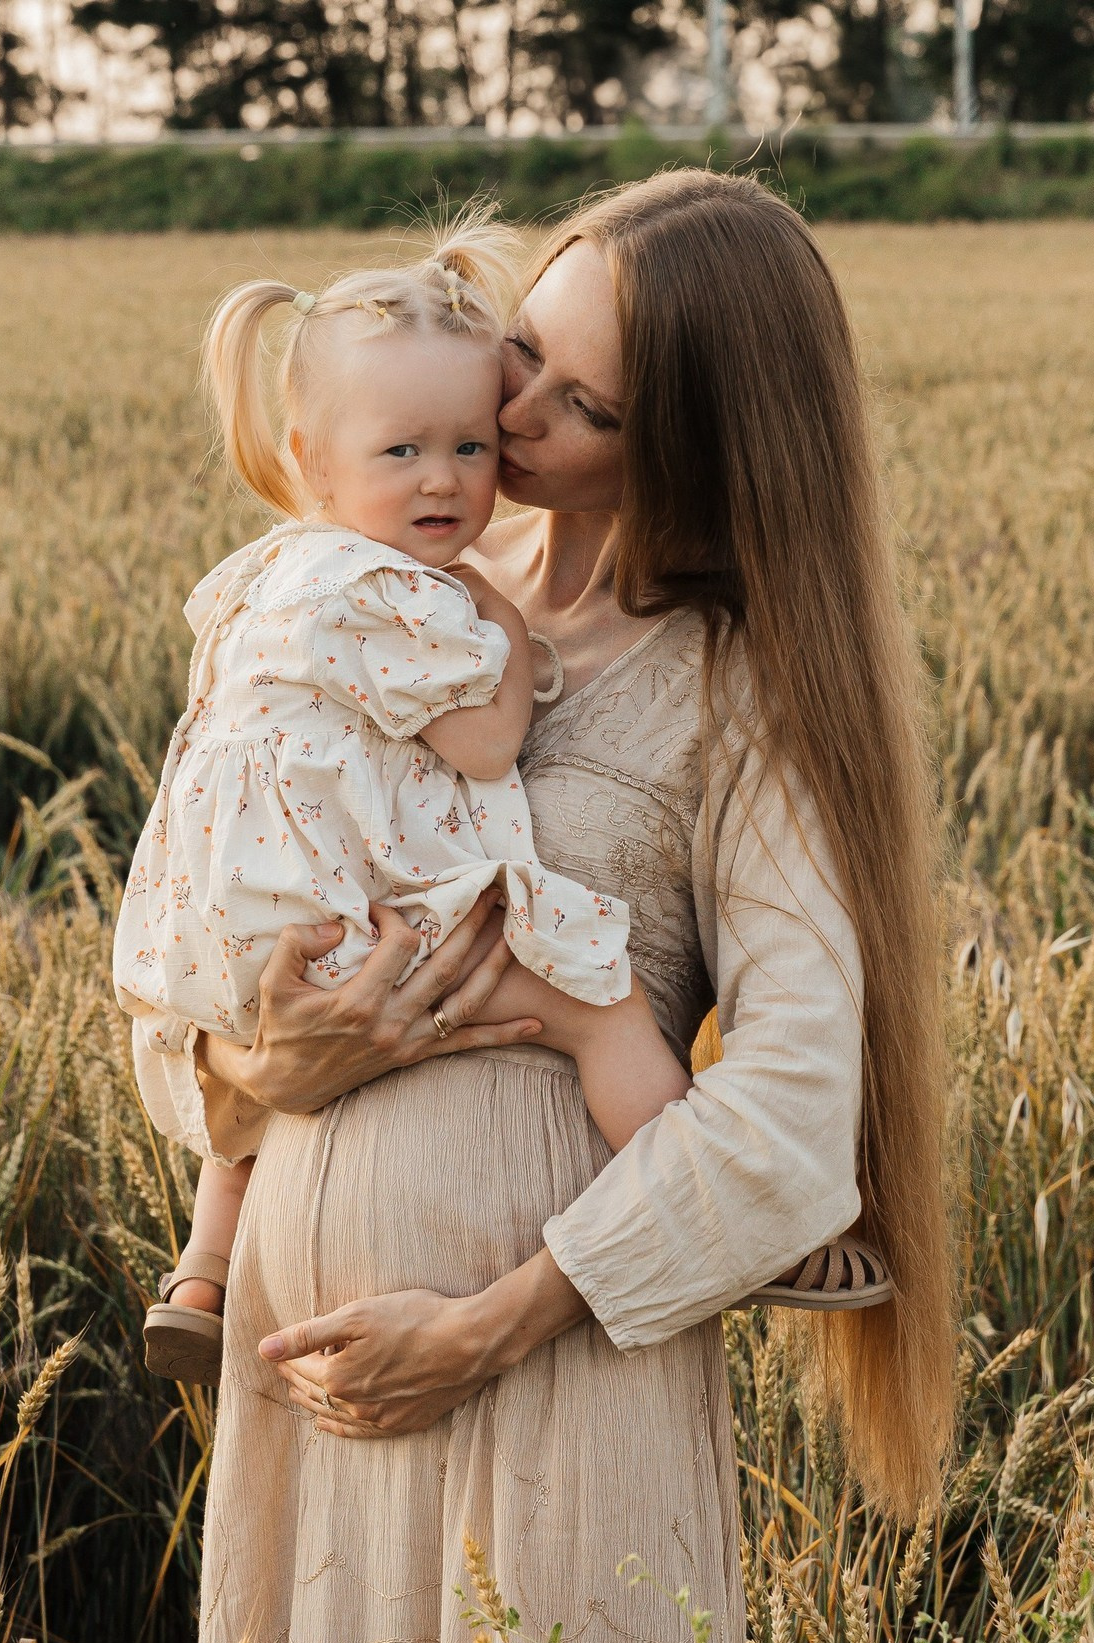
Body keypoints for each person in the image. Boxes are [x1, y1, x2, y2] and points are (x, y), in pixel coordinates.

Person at [177, 170, 955, 1643]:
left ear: (696, 444)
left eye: (579, 404)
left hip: (548, 1384)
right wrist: (256, 1064)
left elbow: (795, 1121)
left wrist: (491, 1321)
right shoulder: (376, 587)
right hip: (306, 1389)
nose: (505, 417)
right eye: (523, 351)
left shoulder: (739, 690)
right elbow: (197, 895)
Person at [112, 222, 700, 1385]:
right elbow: (482, 749)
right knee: (600, 1006)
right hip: (363, 926)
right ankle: (688, 1187)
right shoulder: (407, 596)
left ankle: (201, 1266)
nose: (443, 479)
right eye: (402, 452)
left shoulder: (262, 573)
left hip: (229, 925)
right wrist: (509, 635)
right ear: (310, 455)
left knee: (263, 1059)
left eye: (468, 446)